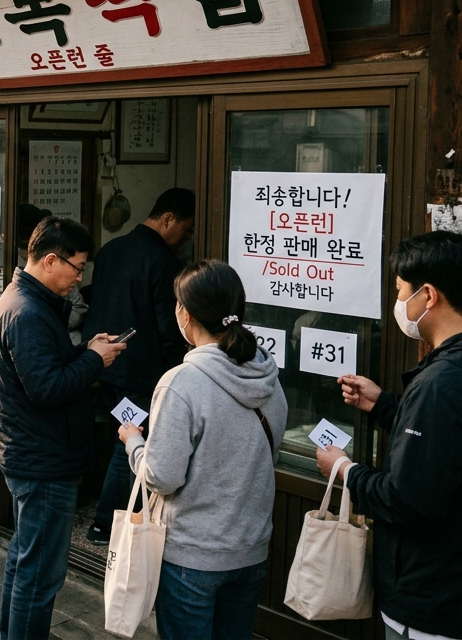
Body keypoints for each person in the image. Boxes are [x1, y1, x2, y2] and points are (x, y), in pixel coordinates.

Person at [316, 231, 462, 640]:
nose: (399, 304)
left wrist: (345, 470)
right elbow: (448, 447)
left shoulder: (441, 383)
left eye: (402, 292)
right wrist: (385, 404)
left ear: (428, 296)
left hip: (432, 600)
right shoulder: (455, 372)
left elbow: (409, 499)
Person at [120, 260, 285, 640]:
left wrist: (133, 443)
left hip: (191, 556)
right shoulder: (268, 376)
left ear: (185, 313)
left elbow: (162, 476)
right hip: (251, 549)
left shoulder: (182, 382)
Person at [0, 217, 126, 640]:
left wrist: (86, 349)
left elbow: (44, 367)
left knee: (25, 561)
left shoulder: (27, 300)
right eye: (77, 267)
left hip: (34, 452)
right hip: (43, 460)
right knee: (40, 575)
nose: (79, 277)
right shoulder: (27, 311)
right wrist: (93, 361)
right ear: (50, 261)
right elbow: (46, 388)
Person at [83, 188, 195, 544]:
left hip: (106, 364)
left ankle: (121, 521)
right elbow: (170, 327)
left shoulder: (111, 249)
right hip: (144, 375)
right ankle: (109, 524)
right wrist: (178, 370)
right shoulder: (164, 263)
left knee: (125, 438)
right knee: (131, 443)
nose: (188, 238)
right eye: (187, 230)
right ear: (167, 220)